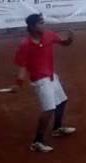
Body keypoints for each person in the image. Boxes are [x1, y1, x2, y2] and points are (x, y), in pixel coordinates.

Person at [12, 14, 75, 153]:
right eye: (41, 23)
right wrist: (18, 83)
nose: (44, 25)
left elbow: (63, 42)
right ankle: (37, 142)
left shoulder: (49, 35)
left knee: (62, 101)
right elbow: (23, 66)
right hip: (40, 80)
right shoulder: (25, 45)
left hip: (52, 76)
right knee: (48, 109)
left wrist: (69, 39)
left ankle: (57, 129)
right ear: (33, 26)